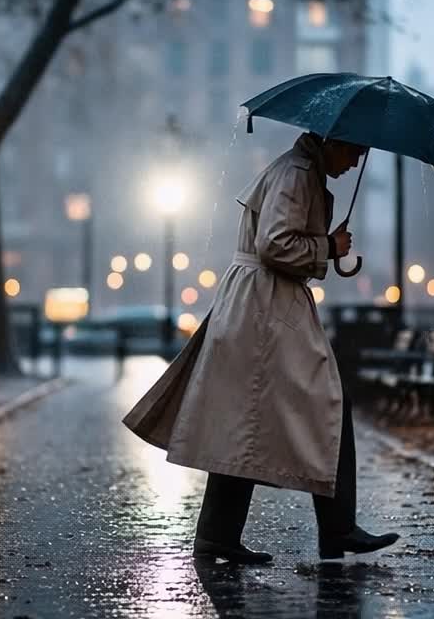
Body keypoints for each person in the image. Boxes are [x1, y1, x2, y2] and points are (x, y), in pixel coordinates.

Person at [123, 131, 399, 564]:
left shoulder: (297, 170)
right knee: (329, 403)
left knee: (243, 414)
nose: (353, 162)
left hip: (259, 305)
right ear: (330, 142)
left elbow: (280, 240)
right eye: (353, 150)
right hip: (266, 307)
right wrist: (328, 246)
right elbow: (275, 244)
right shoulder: (297, 172)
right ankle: (337, 527)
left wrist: (328, 248)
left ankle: (219, 533)